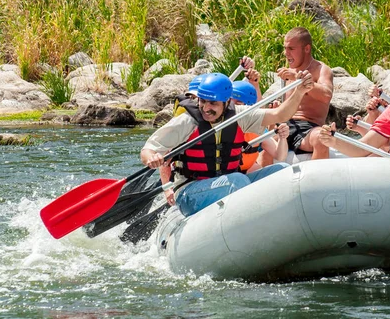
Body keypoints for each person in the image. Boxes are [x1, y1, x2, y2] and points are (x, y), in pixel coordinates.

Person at [141, 71, 314, 217]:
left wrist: (299, 92)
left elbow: (279, 115)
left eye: (213, 103)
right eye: (202, 101)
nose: (206, 109)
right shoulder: (186, 122)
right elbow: (148, 149)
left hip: (228, 182)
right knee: (237, 181)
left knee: (281, 170)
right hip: (189, 192)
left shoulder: (239, 115)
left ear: (226, 102)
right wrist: (152, 157)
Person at [276, 27, 334, 160]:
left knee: (322, 139)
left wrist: (298, 78)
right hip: (284, 124)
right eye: (285, 48)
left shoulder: (321, 70)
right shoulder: (288, 71)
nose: (286, 53)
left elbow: (326, 95)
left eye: (291, 49)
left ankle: (317, 179)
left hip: (308, 128)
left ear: (306, 49)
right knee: (259, 137)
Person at [231, 80, 290, 173]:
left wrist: (283, 138)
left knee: (283, 167)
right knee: (242, 177)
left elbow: (280, 156)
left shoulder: (255, 128)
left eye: (238, 104)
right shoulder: (220, 125)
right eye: (230, 102)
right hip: (227, 176)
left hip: (245, 172)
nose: (233, 108)